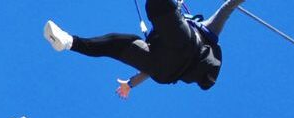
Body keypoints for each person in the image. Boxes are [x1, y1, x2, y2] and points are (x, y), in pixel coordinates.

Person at [43, 0, 246, 98]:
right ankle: (68, 41)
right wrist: (130, 84)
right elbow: (153, 67)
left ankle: (70, 42)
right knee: (117, 43)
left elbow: (228, 7)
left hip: (183, 48)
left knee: (160, 8)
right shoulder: (177, 36)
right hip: (165, 70)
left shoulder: (206, 30)